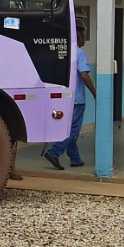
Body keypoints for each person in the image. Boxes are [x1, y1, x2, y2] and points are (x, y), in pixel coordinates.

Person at [43, 23, 95, 170]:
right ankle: (54, 152)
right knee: (74, 130)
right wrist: (95, 92)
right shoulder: (79, 53)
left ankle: (75, 159)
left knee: (68, 128)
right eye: (84, 36)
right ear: (79, 38)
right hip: (77, 99)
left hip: (62, 98)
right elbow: (84, 75)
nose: (85, 39)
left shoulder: (63, 51)